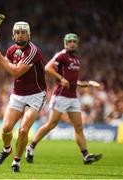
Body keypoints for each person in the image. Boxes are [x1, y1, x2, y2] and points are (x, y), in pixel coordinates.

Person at [25, 33, 102, 165]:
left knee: (79, 126)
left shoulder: (76, 59)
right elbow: (48, 68)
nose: (72, 43)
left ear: (77, 43)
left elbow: (72, 80)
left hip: (73, 97)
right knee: (51, 124)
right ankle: (30, 147)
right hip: (60, 95)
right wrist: (60, 78)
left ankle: (85, 155)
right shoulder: (61, 55)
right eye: (69, 41)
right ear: (65, 43)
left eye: (74, 41)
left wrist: (81, 83)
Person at [0, 21, 46, 172]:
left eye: (23, 32)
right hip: (18, 94)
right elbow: (8, 68)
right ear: (13, 35)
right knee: (6, 128)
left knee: (23, 130)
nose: (20, 35)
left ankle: (16, 162)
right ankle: (7, 150)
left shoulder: (33, 51)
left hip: (35, 95)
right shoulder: (11, 50)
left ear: (29, 35)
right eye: (17, 32)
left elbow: (16, 72)